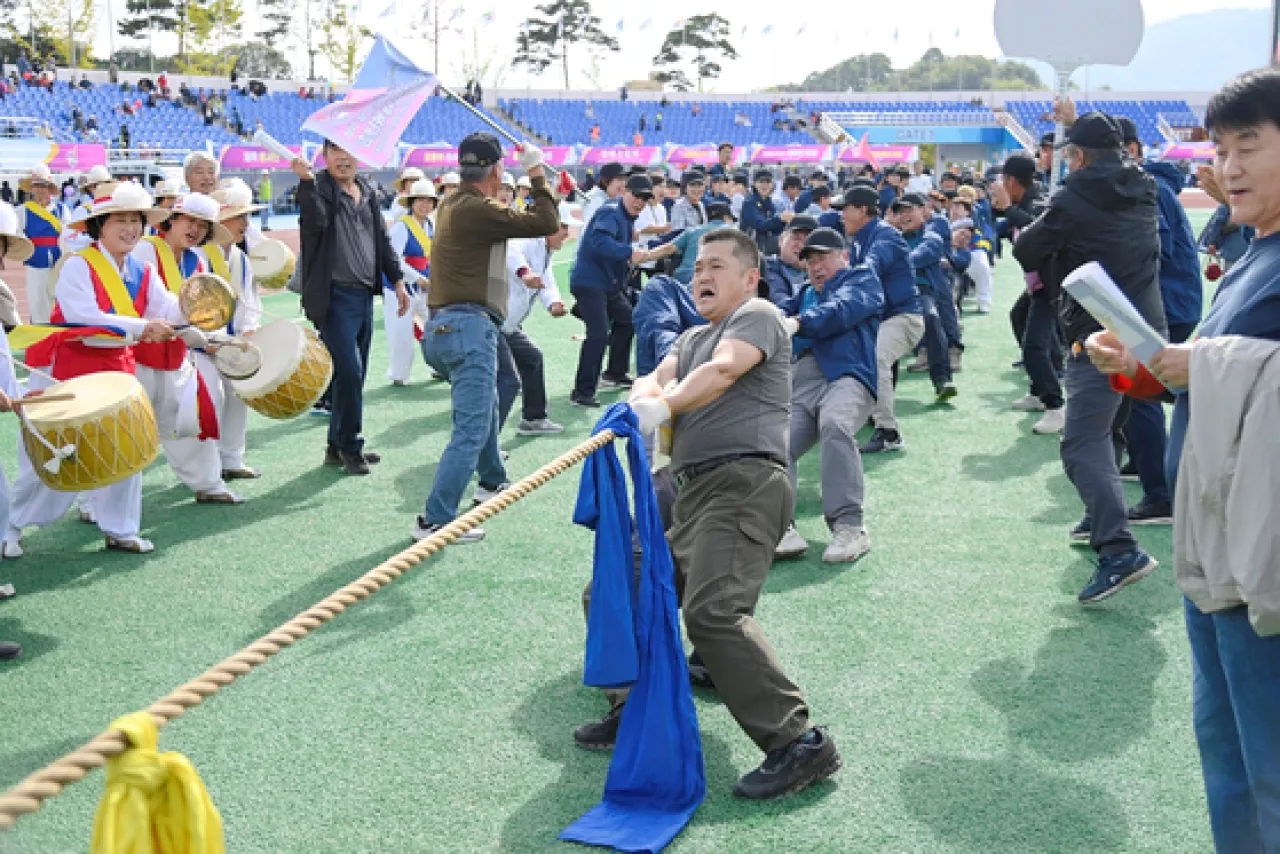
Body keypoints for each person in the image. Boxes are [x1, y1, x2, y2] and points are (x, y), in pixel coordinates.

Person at [1085, 67, 1280, 853]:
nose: (1227, 168)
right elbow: (1220, 383)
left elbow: (1232, 368)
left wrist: (1203, 364)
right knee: (1227, 749)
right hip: (1212, 539)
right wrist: (1144, 367)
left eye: (1250, 146)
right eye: (1221, 149)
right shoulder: (1249, 253)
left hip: (1264, 549)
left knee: (1270, 759)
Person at [574, 227, 841, 799]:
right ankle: (635, 710)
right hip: (689, 490)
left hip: (744, 482)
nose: (701, 276)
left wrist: (660, 408)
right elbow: (658, 375)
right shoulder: (694, 335)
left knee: (713, 613)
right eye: (697, 267)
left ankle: (800, 743)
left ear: (750, 278)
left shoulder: (760, 315)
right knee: (615, 589)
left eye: (717, 266)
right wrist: (638, 399)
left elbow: (722, 371)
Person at [1012, 112, 1167, 603]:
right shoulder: (1145, 185)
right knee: (1112, 428)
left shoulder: (1072, 195)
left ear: (1076, 157)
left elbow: (1028, 249)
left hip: (1099, 334)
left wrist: (1049, 217)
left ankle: (1119, 549)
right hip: (1147, 330)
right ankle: (1100, 514)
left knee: (1082, 444)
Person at [6, 184, 183, 556]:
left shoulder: (142, 268)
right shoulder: (78, 264)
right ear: (100, 225)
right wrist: (140, 327)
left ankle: (119, 528)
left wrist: (197, 307)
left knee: (123, 448)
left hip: (115, 367)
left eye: (136, 220)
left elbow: (167, 309)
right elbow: (81, 316)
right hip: (67, 367)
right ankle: (11, 525)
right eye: (121, 220)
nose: (131, 228)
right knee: (53, 451)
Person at [416, 133, 558, 541]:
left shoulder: (454, 204)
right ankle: (435, 520)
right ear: (496, 171)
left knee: (490, 405)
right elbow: (546, 224)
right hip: (469, 327)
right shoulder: (476, 209)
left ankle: (492, 481)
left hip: (456, 326)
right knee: (473, 426)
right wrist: (536, 173)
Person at [293, 139, 408, 475]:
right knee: (350, 373)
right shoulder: (320, 188)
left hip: (362, 296)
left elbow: (382, 241)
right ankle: (351, 446)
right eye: (335, 152)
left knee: (352, 375)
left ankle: (335, 445)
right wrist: (304, 183)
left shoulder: (368, 190)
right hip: (334, 297)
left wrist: (397, 280)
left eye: (349, 152)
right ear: (325, 157)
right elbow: (314, 223)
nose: (343, 159)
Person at [775, 227, 883, 562]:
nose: (815, 266)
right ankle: (780, 528)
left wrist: (796, 323)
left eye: (823, 257)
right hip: (803, 381)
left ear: (844, 257)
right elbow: (779, 314)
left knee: (835, 424)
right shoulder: (804, 291)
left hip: (847, 377)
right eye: (809, 260)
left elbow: (840, 309)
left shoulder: (862, 280)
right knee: (775, 445)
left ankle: (850, 527)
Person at [1115, 115, 1202, 526]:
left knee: (1142, 392)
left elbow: (1154, 252)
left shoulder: (1149, 187)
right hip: (1167, 301)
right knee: (1138, 394)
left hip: (1166, 305)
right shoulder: (1151, 184)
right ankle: (1145, 464)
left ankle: (1161, 495)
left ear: (1131, 150)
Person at [131, 192, 244, 505]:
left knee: (188, 420)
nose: (195, 229)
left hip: (177, 355)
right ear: (172, 220)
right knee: (128, 429)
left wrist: (213, 337)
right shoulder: (145, 250)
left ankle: (208, 483)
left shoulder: (199, 260)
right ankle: (94, 505)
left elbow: (204, 309)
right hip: (139, 352)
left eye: (203, 225)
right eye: (189, 220)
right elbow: (135, 304)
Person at [829, 187, 925, 455]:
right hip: (883, 319)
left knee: (876, 357)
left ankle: (889, 432)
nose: (841, 216)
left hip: (904, 318)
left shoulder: (885, 235)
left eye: (845, 209)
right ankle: (858, 417)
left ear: (861, 210)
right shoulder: (861, 237)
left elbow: (872, 265)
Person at [569, 173, 650, 407]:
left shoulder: (624, 215)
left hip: (607, 285)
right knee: (598, 334)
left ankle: (614, 373)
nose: (640, 202)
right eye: (637, 196)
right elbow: (598, 242)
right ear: (625, 192)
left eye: (645, 199)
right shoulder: (611, 212)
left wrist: (626, 264)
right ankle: (582, 392)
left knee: (628, 320)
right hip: (590, 283)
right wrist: (628, 254)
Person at [994, 153, 1062, 430]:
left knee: (1034, 346)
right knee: (1018, 317)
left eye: (1002, 179)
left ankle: (1055, 405)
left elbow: (1035, 227)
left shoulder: (1037, 202)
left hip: (1051, 285)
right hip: (1037, 284)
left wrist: (1008, 208)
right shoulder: (1021, 202)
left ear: (1012, 181)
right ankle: (1038, 389)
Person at [498, 203, 577, 435]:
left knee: (532, 358)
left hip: (507, 325)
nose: (566, 233)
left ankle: (533, 419)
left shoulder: (545, 251)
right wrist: (524, 272)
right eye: (563, 227)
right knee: (507, 382)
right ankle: (487, 444)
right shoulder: (525, 240)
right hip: (494, 324)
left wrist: (552, 302)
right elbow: (510, 251)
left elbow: (547, 280)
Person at [204, 182, 263, 480]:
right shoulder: (201, 256)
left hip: (232, 340)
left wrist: (248, 330)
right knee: (211, 402)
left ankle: (232, 458)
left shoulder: (239, 257)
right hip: (203, 344)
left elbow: (249, 298)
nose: (245, 223)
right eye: (239, 217)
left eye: (246, 217)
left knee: (237, 398)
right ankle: (209, 465)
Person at [895, 193, 957, 400]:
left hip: (919, 292)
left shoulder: (932, 237)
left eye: (909, 210)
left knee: (931, 318)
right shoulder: (893, 238)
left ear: (923, 211)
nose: (904, 216)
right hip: (891, 293)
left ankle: (942, 379)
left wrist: (895, 265)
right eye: (900, 211)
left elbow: (918, 257)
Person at [382, 179, 435, 387]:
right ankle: (399, 374)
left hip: (425, 285)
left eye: (429, 201)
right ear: (411, 202)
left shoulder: (430, 225)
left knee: (434, 327)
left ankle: (437, 366)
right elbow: (394, 258)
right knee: (401, 333)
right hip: (400, 287)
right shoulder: (401, 227)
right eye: (420, 200)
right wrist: (416, 277)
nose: (424, 205)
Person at [14, 164, 66, 323]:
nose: (40, 189)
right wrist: (27, 251)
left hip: (59, 264)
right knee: (38, 305)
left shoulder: (61, 210)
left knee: (61, 304)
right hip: (36, 262)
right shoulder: (23, 210)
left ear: (50, 188)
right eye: (37, 185)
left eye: (44, 185)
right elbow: (17, 233)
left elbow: (68, 235)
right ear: (31, 188)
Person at [645, 201, 738, 285]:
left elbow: (668, 249)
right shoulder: (735, 232)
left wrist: (643, 257)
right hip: (716, 280)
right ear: (726, 218)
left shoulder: (692, 231)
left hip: (685, 279)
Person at [761, 214, 817, 305]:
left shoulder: (820, 272)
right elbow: (780, 301)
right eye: (796, 238)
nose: (802, 246)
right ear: (781, 240)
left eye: (808, 242)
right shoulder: (768, 267)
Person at [740, 170, 792, 256]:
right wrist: (780, 218)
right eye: (761, 182)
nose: (764, 185)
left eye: (768, 182)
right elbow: (759, 225)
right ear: (754, 184)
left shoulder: (769, 202)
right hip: (750, 248)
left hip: (765, 245)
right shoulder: (750, 202)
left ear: (772, 185)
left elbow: (773, 228)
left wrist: (784, 221)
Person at [581, 162, 625, 227]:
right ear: (605, 181)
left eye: (623, 179)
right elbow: (588, 229)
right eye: (619, 179)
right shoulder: (596, 199)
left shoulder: (608, 197)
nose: (623, 183)